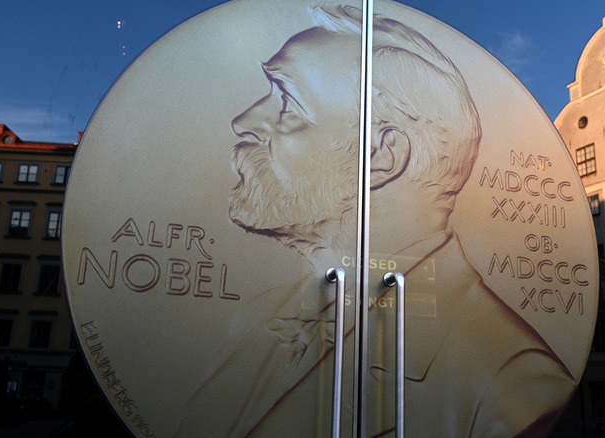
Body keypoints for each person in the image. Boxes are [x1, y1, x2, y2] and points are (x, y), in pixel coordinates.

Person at [176, 5, 575, 437]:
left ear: (383, 154)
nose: (244, 122)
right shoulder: (261, 317)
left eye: (287, 101)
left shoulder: (517, 387)